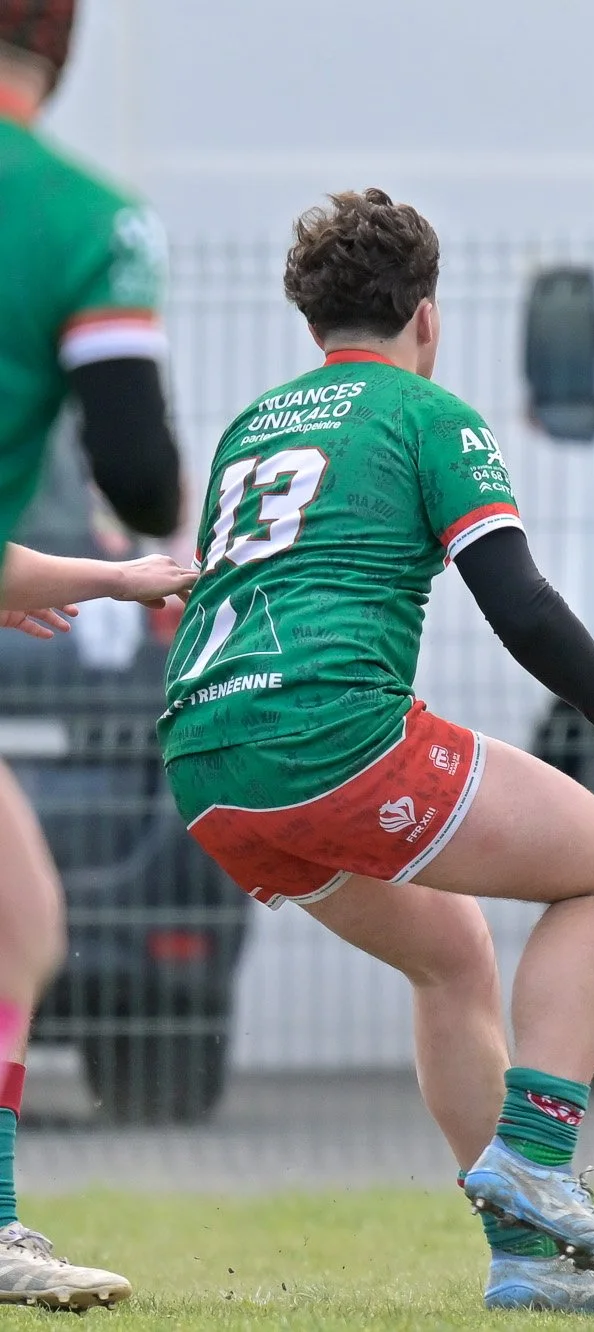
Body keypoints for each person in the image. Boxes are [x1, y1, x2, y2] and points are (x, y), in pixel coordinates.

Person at [157, 189, 594, 1314]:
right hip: (330, 737)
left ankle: (526, 1261)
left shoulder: (254, 426)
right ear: (429, 317)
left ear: (312, 326)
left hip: (205, 762)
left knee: (450, 954)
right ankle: (538, 1160)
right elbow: (522, 604)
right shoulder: (423, 413)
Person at [0, 0, 196, 1309]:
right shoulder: (81, 218)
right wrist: (153, 547)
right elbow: (129, 453)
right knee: (19, 925)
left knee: (19, 916)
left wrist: (105, 574)